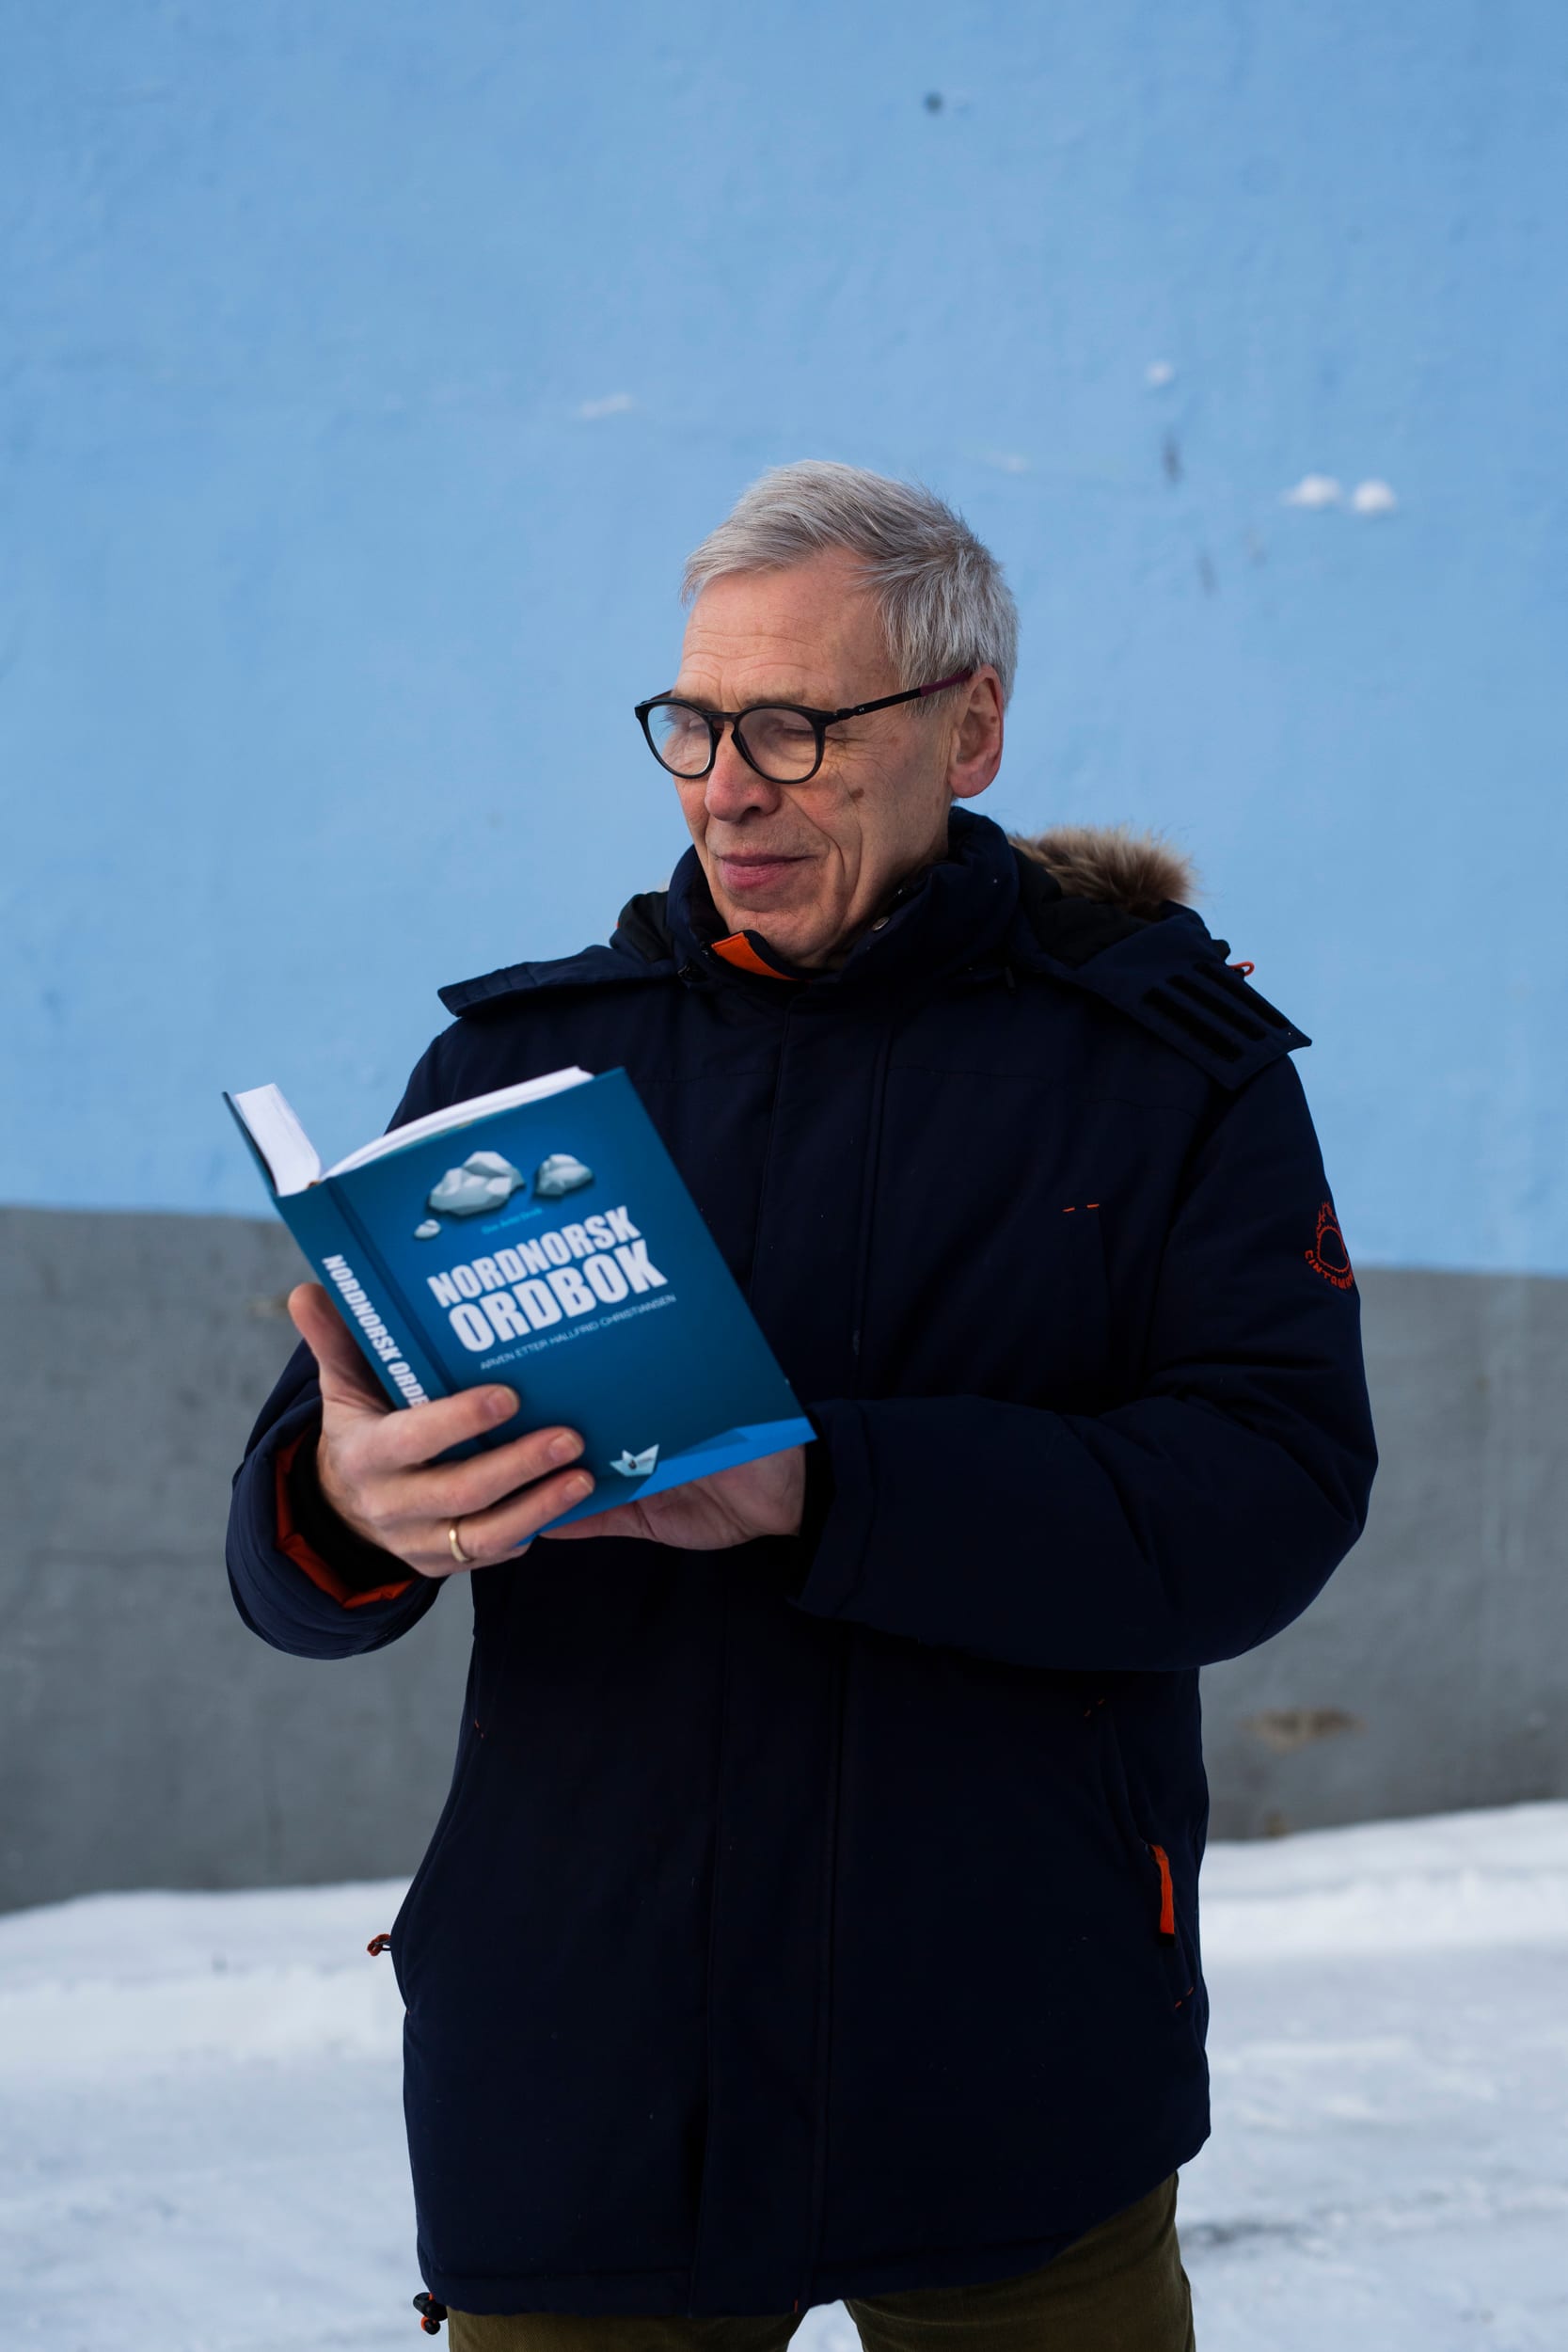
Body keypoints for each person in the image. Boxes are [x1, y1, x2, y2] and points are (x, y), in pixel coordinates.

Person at [228, 462, 1376, 2350]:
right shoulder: (518, 1072)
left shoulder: (1170, 1072)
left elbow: (1268, 1496)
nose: (726, 786)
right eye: (692, 724)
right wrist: (356, 1502)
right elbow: (290, 1552)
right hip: (589, 2065)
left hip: (1015, 2044)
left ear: (969, 731)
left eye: (796, 726)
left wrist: (823, 1491)